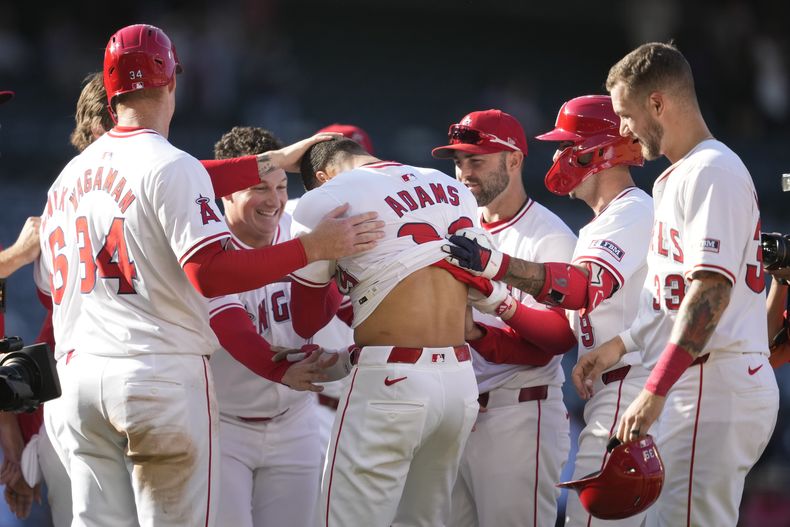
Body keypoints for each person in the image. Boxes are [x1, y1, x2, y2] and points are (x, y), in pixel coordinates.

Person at [36, 24, 383, 527]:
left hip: (79, 381)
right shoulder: (166, 164)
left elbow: (164, 179)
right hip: (153, 374)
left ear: (110, 95)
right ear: (173, 82)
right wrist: (313, 247)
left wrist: (266, 163)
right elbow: (211, 273)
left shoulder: (66, 179)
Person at [571, 42, 779, 525]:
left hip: (713, 376)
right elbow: (672, 297)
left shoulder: (711, 169)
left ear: (657, 103)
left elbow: (710, 292)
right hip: (701, 375)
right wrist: (621, 344)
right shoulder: (676, 177)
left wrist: (655, 389)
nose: (622, 127)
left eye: (625, 113)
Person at [443, 97, 653, 526]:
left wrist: (494, 290)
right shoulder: (603, 221)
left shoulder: (624, 212)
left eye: (566, 146)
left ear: (599, 150)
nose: (557, 157)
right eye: (460, 160)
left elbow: (571, 305)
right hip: (473, 408)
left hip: (551, 402)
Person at [288, 136, 490, 527]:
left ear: (321, 176)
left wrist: (334, 267)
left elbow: (306, 320)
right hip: (459, 380)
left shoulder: (325, 197)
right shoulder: (450, 186)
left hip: (391, 381)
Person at [431, 109, 577, 527]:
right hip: (457, 416)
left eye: (476, 160)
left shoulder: (549, 235)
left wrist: (480, 327)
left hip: (519, 414)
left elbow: (557, 342)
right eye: (458, 162)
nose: (464, 172)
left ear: (514, 159)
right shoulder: (456, 227)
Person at [206, 126, 352, 526]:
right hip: (224, 425)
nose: (274, 200)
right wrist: (283, 367)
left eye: (280, 186)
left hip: (296, 418)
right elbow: (234, 331)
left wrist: (340, 358)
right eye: (259, 188)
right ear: (227, 193)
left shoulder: (301, 223)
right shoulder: (204, 242)